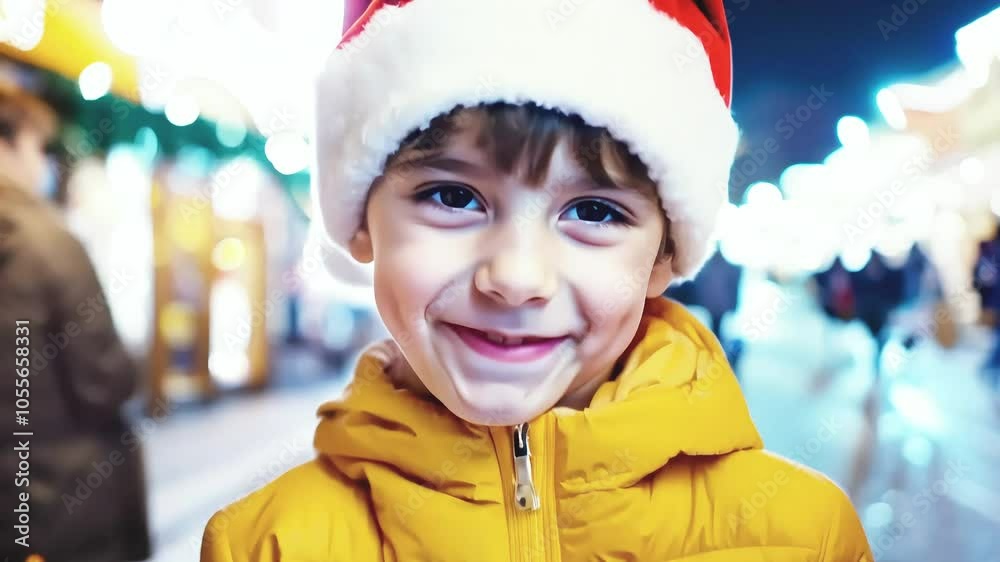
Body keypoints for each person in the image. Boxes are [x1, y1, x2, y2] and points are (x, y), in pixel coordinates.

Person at [202, 1, 872, 560]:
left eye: (594, 211)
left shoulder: (803, 536)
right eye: (453, 197)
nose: (516, 278)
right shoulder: (265, 545)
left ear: (665, 257)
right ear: (359, 222)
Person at [0, 80, 151, 562]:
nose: (42, 164)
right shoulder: (46, 243)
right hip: (65, 508)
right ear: (8, 142)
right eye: (37, 146)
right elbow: (105, 380)